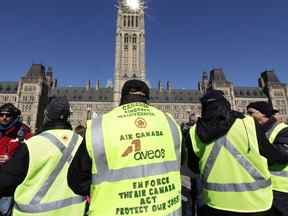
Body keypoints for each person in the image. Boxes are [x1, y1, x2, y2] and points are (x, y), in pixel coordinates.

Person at [68, 79, 182, 216]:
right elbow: (181, 162)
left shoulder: (100, 126)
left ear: (122, 98)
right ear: (147, 99)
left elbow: (77, 181)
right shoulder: (169, 122)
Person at [186, 90, 288, 216]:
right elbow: (272, 156)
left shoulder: (194, 131)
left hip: (217, 203)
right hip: (256, 202)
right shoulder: (248, 122)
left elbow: (193, 168)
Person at [0, 97, 86, 216]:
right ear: (68, 115)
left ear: (46, 115)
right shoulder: (83, 142)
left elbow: (5, 182)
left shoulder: (32, 144)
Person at [247, 101, 288, 216]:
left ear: (264, 114)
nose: (248, 116)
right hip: (263, 188)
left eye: (251, 113)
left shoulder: (283, 130)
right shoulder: (255, 132)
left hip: (282, 190)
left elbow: (281, 157)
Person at [0, 103, 32, 216]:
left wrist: (12, 160)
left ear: (14, 116)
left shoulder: (23, 132)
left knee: (5, 211)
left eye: (7, 115)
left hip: (10, 183)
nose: (4, 117)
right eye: (1, 115)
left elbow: (30, 155)